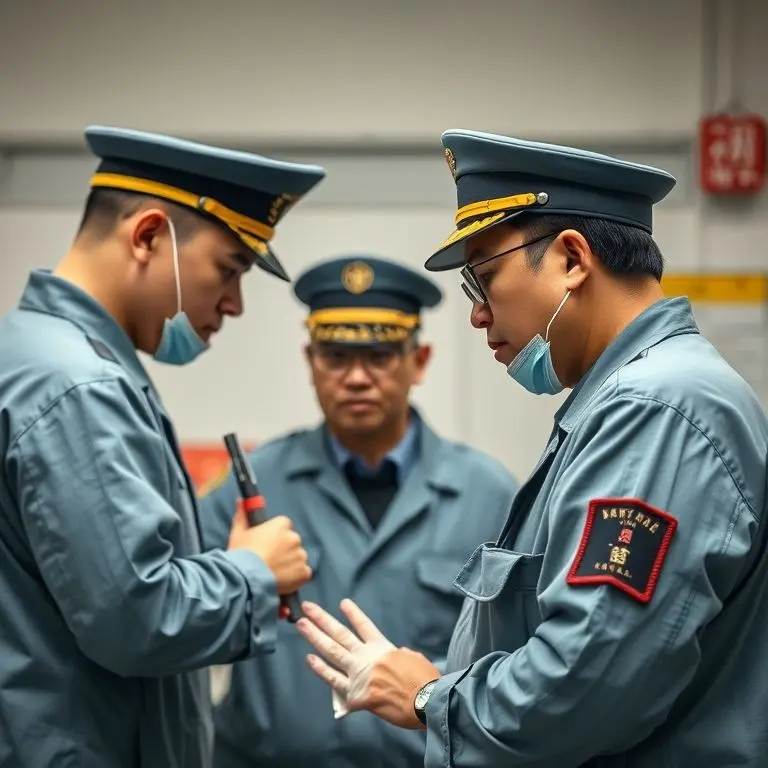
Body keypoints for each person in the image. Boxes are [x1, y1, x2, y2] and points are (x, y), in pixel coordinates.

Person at [294, 130, 768, 767]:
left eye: (484, 278)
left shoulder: (656, 408)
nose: (478, 315)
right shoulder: (633, 399)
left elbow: (586, 684)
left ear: (573, 258)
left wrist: (432, 696)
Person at [0, 124, 326, 768]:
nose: (233, 304)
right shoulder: (77, 385)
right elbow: (137, 616)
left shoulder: (43, 356)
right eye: (228, 270)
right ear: (149, 236)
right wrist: (255, 569)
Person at [197, 254, 520, 768]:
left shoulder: (488, 493)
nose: (356, 377)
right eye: (336, 355)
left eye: (380, 354)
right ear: (310, 361)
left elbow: (521, 655)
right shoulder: (252, 488)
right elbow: (180, 611)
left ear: (420, 360)